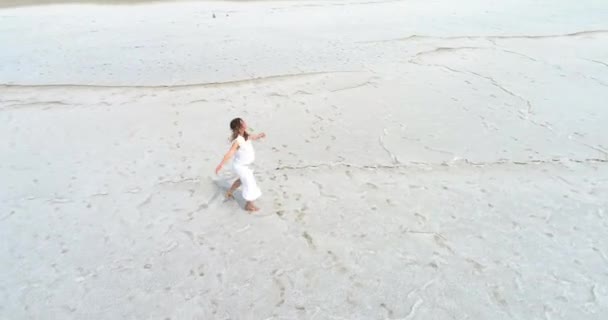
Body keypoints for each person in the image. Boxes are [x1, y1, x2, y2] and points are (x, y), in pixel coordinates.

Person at [215, 118, 266, 212]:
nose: (245, 123)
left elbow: (253, 137)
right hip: (241, 167)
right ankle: (249, 205)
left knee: (241, 180)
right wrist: (220, 165)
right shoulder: (238, 141)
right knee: (250, 184)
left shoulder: (245, 135)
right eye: (242, 122)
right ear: (239, 127)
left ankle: (229, 192)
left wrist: (259, 136)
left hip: (245, 165)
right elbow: (230, 153)